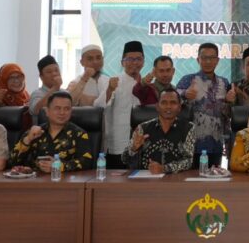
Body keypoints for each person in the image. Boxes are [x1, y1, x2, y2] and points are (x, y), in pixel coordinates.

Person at [176, 42, 231, 168]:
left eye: (212, 58)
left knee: (213, 177)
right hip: (191, 144)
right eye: (204, 58)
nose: (208, 61)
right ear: (198, 59)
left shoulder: (224, 82)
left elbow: (226, 114)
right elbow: (172, 101)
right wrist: (184, 94)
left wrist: (229, 101)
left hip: (216, 143)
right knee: (191, 178)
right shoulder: (188, 80)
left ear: (217, 60)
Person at [11, 92, 93, 173]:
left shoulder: (79, 134)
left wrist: (59, 166)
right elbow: (12, 162)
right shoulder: (34, 132)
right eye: (57, 108)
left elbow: (87, 162)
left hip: (64, 180)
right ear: (47, 111)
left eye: (66, 109)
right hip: (35, 180)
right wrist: (28, 139)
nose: (62, 112)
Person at [95, 40, 144, 168]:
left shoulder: (146, 84)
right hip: (118, 145)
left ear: (143, 62)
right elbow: (99, 106)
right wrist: (110, 89)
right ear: (122, 62)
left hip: (141, 143)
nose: (135, 62)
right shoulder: (113, 81)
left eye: (138, 59)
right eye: (130, 59)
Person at [123, 87, 195, 173]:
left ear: (179, 107)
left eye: (173, 103)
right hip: (147, 177)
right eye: (164, 103)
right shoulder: (142, 128)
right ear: (157, 106)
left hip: (175, 177)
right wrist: (133, 148)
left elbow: (189, 161)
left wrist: (164, 168)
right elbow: (124, 159)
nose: (168, 107)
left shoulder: (188, 128)